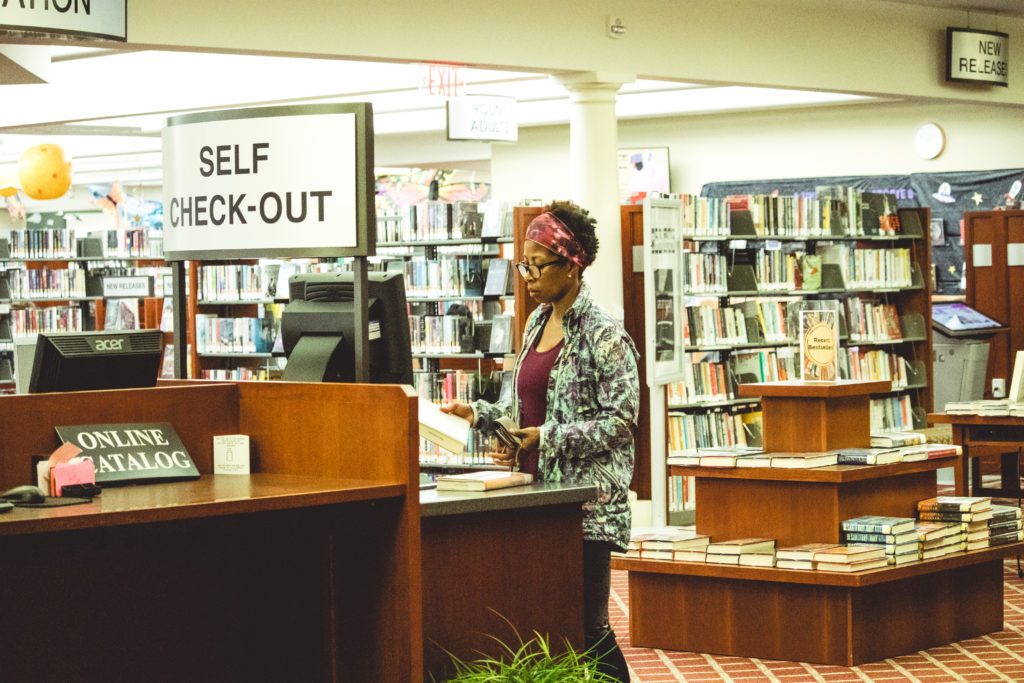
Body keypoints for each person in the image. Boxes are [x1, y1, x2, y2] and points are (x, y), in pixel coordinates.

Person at [441, 200, 639, 682]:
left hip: (585, 506)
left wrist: (546, 438)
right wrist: (481, 417)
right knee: (545, 622)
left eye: (537, 265)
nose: (527, 277)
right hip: (534, 496)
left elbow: (620, 422)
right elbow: (521, 408)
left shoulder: (605, 336)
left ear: (572, 265)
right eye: (522, 265)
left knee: (588, 628)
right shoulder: (534, 323)